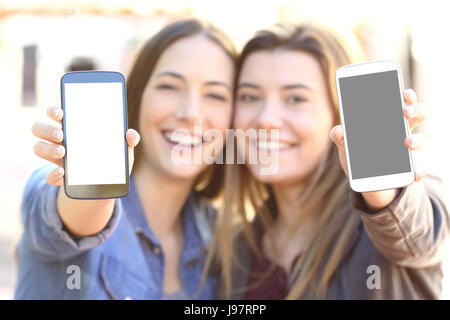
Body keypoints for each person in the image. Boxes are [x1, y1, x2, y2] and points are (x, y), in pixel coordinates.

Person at [212, 23, 449, 299]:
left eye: (296, 98)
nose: (266, 118)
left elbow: (418, 234)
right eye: (250, 96)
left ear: (340, 115)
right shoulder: (237, 249)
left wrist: (385, 190)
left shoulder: (374, 236)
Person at [15, 18, 236, 299]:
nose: (191, 112)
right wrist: (95, 189)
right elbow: (70, 217)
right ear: (138, 94)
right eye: (169, 86)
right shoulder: (55, 188)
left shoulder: (220, 237)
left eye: (215, 95)